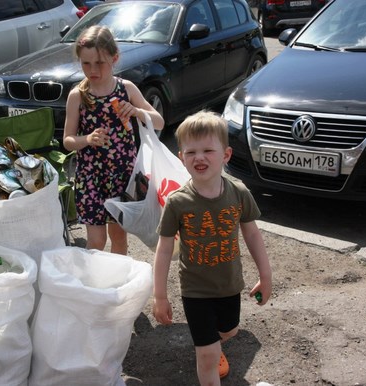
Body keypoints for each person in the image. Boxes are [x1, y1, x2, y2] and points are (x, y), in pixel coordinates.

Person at [152, 111, 272, 385]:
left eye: (208, 150)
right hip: (195, 290)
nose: (199, 157)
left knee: (230, 330)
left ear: (226, 155)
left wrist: (265, 276)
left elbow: (252, 234)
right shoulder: (177, 202)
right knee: (206, 357)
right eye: (191, 152)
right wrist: (160, 296)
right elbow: (163, 249)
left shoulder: (238, 192)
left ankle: (211, 343)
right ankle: (207, 349)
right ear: (181, 157)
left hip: (229, 285)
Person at [63, 25, 164, 255]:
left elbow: (159, 122)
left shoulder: (125, 89)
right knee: (96, 242)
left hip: (122, 176)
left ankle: (118, 285)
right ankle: (96, 285)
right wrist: (87, 139)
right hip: (90, 179)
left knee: (119, 239)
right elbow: (68, 140)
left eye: (99, 63)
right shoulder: (78, 95)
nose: (92, 70)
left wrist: (137, 112)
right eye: (86, 63)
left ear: (114, 58)